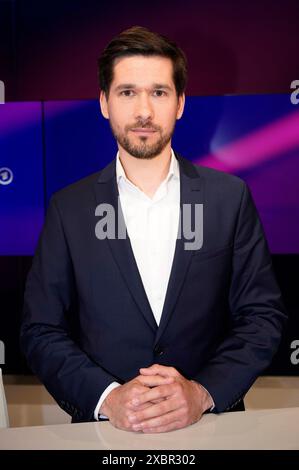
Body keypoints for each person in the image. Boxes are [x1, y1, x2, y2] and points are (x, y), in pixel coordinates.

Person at [21, 26, 287, 434]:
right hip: (105, 434)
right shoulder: (68, 208)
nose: (144, 110)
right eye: (127, 92)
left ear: (180, 103)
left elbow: (262, 316)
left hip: (213, 430)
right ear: (104, 103)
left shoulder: (229, 198)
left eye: (159, 92)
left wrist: (202, 392)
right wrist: (109, 398)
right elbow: (41, 329)